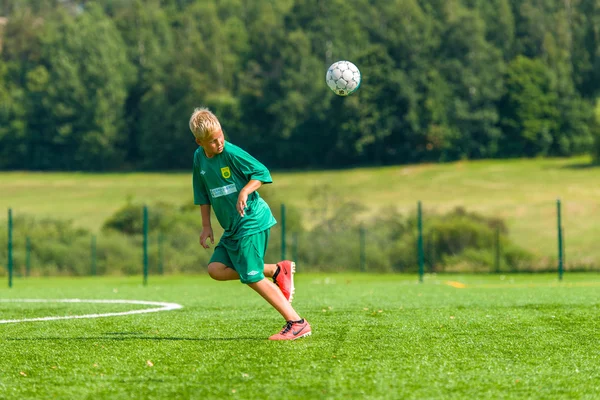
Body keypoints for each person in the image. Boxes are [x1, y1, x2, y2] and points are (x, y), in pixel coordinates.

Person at [189, 107, 311, 341]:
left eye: (221, 135)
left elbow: (262, 172)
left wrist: (245, 190)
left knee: (252, 276)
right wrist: (206, 226)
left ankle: (297, 322)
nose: (220, 142)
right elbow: (202, 192)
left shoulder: (231, 153)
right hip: (233, 228)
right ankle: (277, 270)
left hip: (252, 220)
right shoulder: (198, 158)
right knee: (215, 269)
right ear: (199, 142)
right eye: (213, 141)